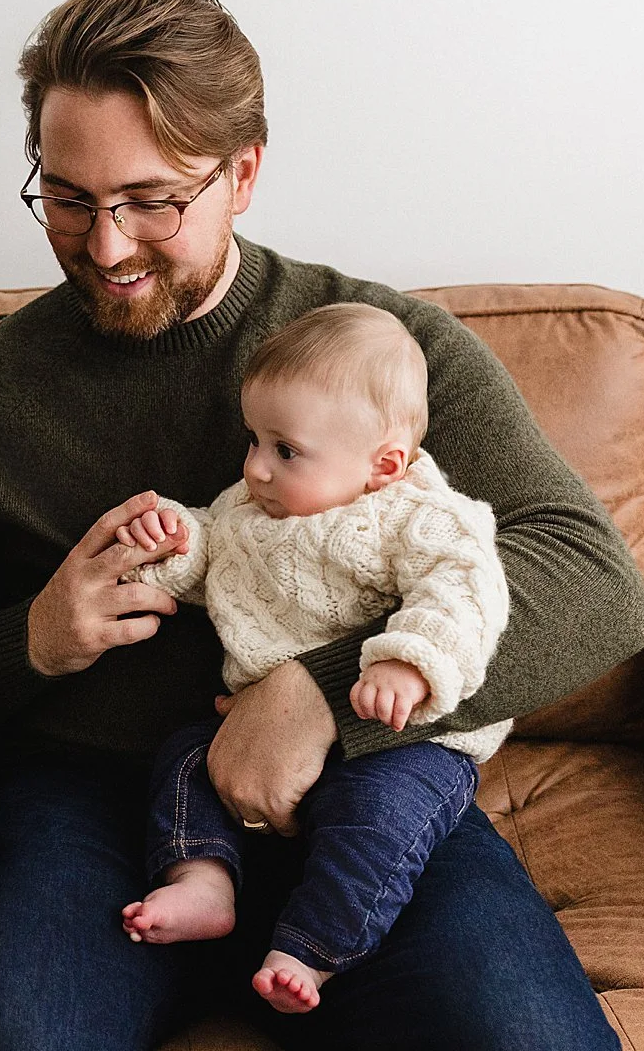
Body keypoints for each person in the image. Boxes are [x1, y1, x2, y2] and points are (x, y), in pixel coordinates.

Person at [0, 0, 644, 1051]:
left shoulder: (384, 353)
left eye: (149, 200)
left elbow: (593, 581)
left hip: (373, 795)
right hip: (95, 812)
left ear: (242, 173)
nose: (104, 246)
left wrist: (314, 696)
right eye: (65, 199)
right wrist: (28, 640)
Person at [114, 302, 509, 1014]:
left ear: (382, 464)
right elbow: (213, 555)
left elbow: (464, 587)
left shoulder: (418, 514)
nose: (256, 466)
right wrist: (170, 543)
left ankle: (314, 948)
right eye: (255, 439)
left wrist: (408, 662)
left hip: (400, 737)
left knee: (378, 819)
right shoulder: (252, 505)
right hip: (251, 735)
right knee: (182, 758)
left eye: (284, 449)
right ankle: (203, 880)